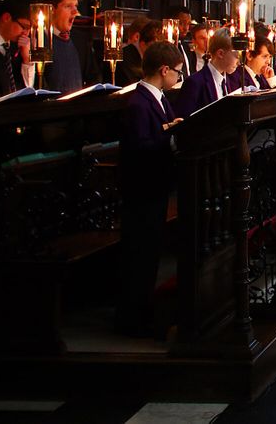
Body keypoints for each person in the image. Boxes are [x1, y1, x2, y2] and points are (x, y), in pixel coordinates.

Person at [115, 41, 184, 336]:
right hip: (142, 189)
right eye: (178, 73)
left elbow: (165, 126)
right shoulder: (138, 102)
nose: (180, 78)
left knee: (150, 253)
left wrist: (172, 129)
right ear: (164, 69)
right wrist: (168, 136)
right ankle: (132, 319)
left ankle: (143, 312)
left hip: (156, 186)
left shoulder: (159, 97)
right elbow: (139, 147)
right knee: (139, 256)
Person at [174, 29, 241, 117]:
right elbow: (183, 120)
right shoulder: (194, 83)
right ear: (220, 53)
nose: (239, 62)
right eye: (236, 56)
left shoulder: (229, 81)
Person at [44, 0, 94, 94]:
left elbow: (93, 77)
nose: (75, 12)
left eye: (75, 6)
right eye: (68, 6)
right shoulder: (40, 41)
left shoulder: (80, 40)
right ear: (52, 9)